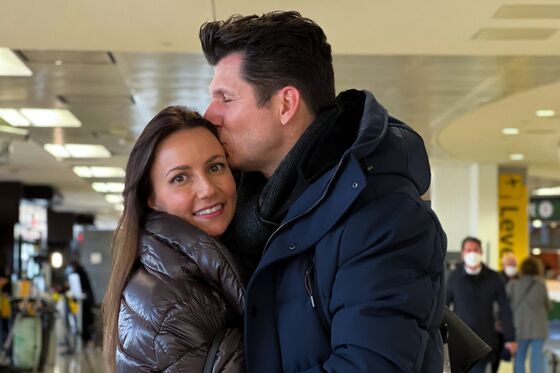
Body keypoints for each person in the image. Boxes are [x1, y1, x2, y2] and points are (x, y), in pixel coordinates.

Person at [200, 11, 447, 372]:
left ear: (285, 104)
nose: (210, 115)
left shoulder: (383, 217)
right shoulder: (249, 215)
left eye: (226, 98)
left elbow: (369, 366)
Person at [102, 107, 245, 372]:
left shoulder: (183, 274)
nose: (207, 189)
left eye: (215, 167)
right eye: (180, 178)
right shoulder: (176, 304)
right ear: (152, 198)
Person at [446, 236, 517, 373]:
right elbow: (443, 307)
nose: (472, 253)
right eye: (468, 250)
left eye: (476, 250)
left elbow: (505, 309)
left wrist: (510, 338)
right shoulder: (454, 278)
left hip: (484, 341)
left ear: (481, 252)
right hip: (459, 342)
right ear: (463, 253)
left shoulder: (494, 278)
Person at [506, 257, 550, 373]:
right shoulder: (541, 285)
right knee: (537, 359)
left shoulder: (513, 285)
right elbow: (548, 306)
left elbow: (504, 306)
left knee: (519, 358)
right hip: (539, 328)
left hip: (519, 327)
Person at [493, 248, 519, 372]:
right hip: (499, 326)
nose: (511, 267)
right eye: (509, 264)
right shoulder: (496, 279)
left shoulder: (521, 280)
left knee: (515, 359)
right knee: (496, 357)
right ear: (503, 265)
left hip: (516, 326)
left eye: (513, 264)